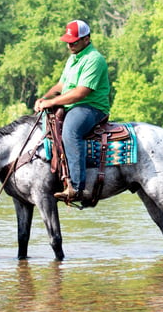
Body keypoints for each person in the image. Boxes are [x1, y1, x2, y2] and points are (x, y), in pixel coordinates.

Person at [34, 19, 111, 203]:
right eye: (68, 41)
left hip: (90, 106)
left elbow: (81, 92)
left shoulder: (94, 59)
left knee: (71, 130)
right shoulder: (72, 58)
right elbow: (62, 85)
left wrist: (52, 101)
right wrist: (45, 98)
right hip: (72, 104)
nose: (70, 45)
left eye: (74, 41)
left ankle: (76, 187)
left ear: (86, 39)